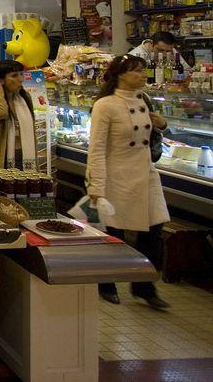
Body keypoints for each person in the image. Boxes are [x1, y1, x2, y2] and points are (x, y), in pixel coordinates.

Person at [87, 54, 170, 309]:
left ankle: (144, 284)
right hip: (117, 176)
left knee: (154, 228)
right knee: (112, 234)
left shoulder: (143, 100)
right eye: (137, 72)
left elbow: (150, 135)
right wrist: (96, 187)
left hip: (145, 174)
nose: (143, 76)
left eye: (144, 71)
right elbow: (97, 148)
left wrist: (162, 124)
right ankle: (106, 282)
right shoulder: (105, 105)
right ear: (122, 74)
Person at [0, 60, 36, 169]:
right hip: (2, 155)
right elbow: (1, 112)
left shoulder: (25, 98)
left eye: (21, 74)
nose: (20, 79)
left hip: (24, 153)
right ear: (1, 79)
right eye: (14, 76)